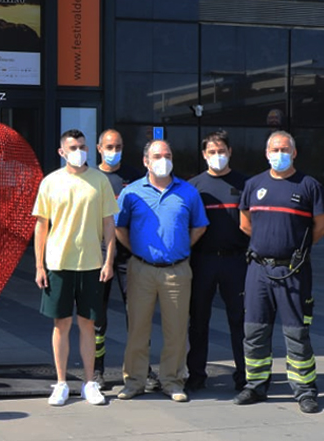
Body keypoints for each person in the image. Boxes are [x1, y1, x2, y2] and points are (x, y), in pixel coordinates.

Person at [233, 131, 324, 413]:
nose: (279, 154)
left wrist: (293, 249)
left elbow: (321, 227)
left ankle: (304, 389)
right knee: (254, 331)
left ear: (294, 153)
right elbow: (245, 224)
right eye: (275, 149)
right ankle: (255, 384)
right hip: (258, 270)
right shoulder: (253, 185)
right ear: (266, 153)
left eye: (285, 149)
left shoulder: (309, 186)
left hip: (293, 271)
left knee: (297, 332)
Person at [115, 140, 208, 402]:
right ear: (146, 161)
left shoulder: (188, 192)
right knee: (137, 329)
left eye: (167, 155)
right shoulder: (132, 192)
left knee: (176, 330)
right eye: (157, 155)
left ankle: (173, 381)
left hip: (176, 271)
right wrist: (136, 249)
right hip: (141, 269)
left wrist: (180, 248)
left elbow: (199, 226)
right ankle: (134, 381)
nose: (163, 159)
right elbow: (119, 227)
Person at [33, 129, 116, 406]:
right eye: (72, 147)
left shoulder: (100, 181)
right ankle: (61, 383)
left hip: (91, 263)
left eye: (81, 146)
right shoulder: (50, 182)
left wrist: (109, 260)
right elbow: (41, 226)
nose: (78, 151)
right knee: (61, 324)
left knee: (89, 324)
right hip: (58, 263)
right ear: (61, 152)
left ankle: (90, 382)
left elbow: (108, 224)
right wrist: (39, 266)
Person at [187, 130, 249, 392]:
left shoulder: (245, 183)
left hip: (237, 261)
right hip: (203, 261)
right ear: (204, 155)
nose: (217, 156)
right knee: (198, 320)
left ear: (230, 152)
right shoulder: (193, 186)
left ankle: (244, 375)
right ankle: (197, 374)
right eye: (211, 152)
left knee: (240, 321)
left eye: (221, 151)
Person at [93, 129, 152, 390]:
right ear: (98, 148)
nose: (113, 151)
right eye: (109, 146)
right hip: (98, 255)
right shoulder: (91, 177)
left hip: (129, 254)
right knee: (98, 317)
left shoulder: (136, 177)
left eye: (117, 146)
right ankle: (97, 371)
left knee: (137, 314)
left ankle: (143, 370)